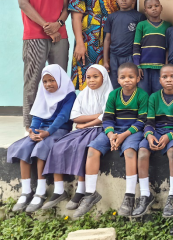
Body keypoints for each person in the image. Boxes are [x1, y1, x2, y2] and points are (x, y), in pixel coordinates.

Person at [74, 62, 149, 218]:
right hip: (113, 131)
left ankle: (129, 196)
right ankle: (90, 193)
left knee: (129, 152)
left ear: (138, 78)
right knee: (92, 150)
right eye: (123, 77)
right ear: (118, 79)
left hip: (132, 131)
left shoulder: (142, 95)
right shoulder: (113, 95)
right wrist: (111, 135)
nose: (127, 80)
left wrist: (123, 136)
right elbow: (107, 118)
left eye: (131, 77)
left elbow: (141, 121)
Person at [14, 0, 71, 130]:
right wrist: (48, 26)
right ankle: (29, 125)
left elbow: (66, 8)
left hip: (60, 37)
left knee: (59, 80)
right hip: (34, 36)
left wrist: (58, 24)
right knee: (33, 80)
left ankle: (58, 123)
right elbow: (23, 4)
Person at [42, 65, 113, 210]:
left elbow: (106, 117)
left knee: (81, 147)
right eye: (88, 77)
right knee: (58, 145)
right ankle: (59, 190)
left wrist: (87, 123)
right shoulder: (83, 93)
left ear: (104, 78)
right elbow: (75, 116)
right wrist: (96, 116)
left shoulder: (109, 94)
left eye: (95, 77)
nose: (91, 80)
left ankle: (81, 190)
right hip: (82, 129)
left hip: (100, 129)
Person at [8, 65, 76, 213]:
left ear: (59, 79)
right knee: (25, 147)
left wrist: (49, 132)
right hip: (42, 130)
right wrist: (32, 131)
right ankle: (26, 191)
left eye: (52, 80)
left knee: (40, 149)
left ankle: (40, 190)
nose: (48, 84)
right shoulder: (43, 93)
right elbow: (38, 114)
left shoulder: (69, 95)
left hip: (59, 130)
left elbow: (63, 117)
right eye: (45, 81)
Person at [132, 64, 173, 219]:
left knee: (172, 152)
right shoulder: (154, 97)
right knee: (142, 152)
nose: (168, 80)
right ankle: (145, 194)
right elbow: (149, 121)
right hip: (157, 131)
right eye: (165, 77)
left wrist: (169, 136)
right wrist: (149, 136)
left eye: (172, 76)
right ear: (159, 80)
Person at [70, 0, 118, 90]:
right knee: (89, 74)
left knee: (110, 75)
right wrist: (80, 43)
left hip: (112, 38)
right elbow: (76, 18)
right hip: (89, 40)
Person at [103, 0, 146, 88]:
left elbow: (143, 40)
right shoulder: (112, 17)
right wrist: (105, 61)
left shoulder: (139, 16)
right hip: (114, 56)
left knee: (131, 84)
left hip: (131, 56)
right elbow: (107, 39)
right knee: (115, 84)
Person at [133, 0, 172, 95]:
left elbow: (168, 48)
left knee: (158, 95)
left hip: (160, 67)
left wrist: (166, 65)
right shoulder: (141, 25)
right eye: (150, 7)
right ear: (145, 10)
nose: (154, 8)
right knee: (143, 94)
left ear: (161, 7)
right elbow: (136, 46)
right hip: (143, 68)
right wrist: (137, 66)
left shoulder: (168, 26)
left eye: (156, 6)